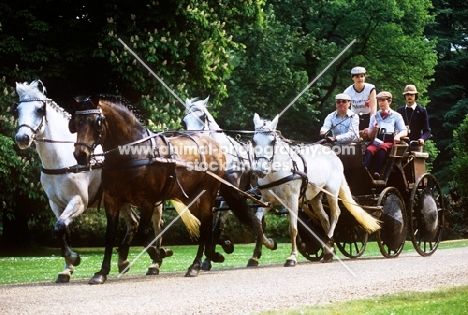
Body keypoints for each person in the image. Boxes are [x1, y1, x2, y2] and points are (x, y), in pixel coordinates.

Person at [364, 91, 407, 180]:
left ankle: (377, 172)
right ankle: (365, 171)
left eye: (383, 100)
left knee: (383, 146)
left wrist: (398, 136)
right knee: (369, 149)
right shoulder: (375, 116)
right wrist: (374, 130)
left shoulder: (396, 116)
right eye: (379, 101)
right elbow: (370, 136)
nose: (381, 103)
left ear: (389, 101)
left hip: (389, 142)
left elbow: (404, 130)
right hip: (376, 141)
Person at [396, 84, 431, 151]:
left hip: (416, 144)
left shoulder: (421, 111)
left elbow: (427, 131)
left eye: (411, 94)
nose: (409, 96)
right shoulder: (399, 110)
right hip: (401, 144)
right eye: (407, 94)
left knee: (418, 160)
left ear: (415, 96)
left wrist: (422, 139)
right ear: (405, 96)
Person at [343, 66, 377, 134]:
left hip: (368, 117)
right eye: (357, 77)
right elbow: (345, 110)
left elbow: (373, 108)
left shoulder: (371, 88)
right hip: (354, 118)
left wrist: (371, 125)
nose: (360, 79)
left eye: (362, 76)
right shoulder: (347, 92)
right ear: (353, 78)